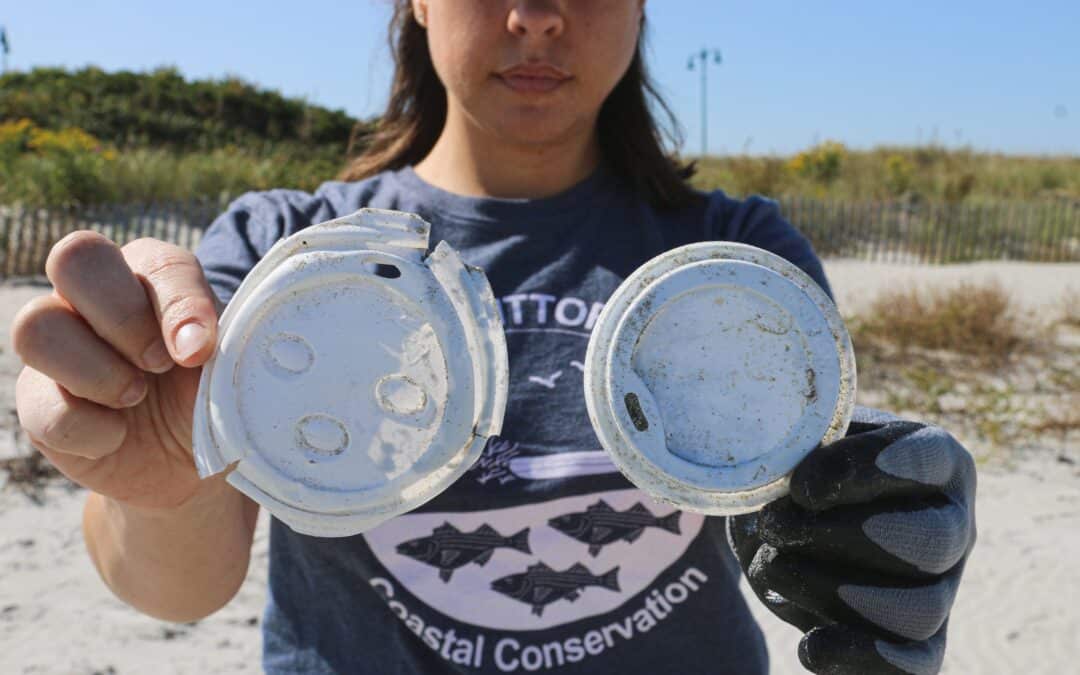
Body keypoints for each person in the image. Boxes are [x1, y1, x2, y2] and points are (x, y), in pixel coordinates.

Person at [11, 2, 975, 673]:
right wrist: (163, 476)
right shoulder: (288, 264)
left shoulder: (732, 267)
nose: (540, 14)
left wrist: (869, 532)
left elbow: (797, 521)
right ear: (416, 3)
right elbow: (179, 588)